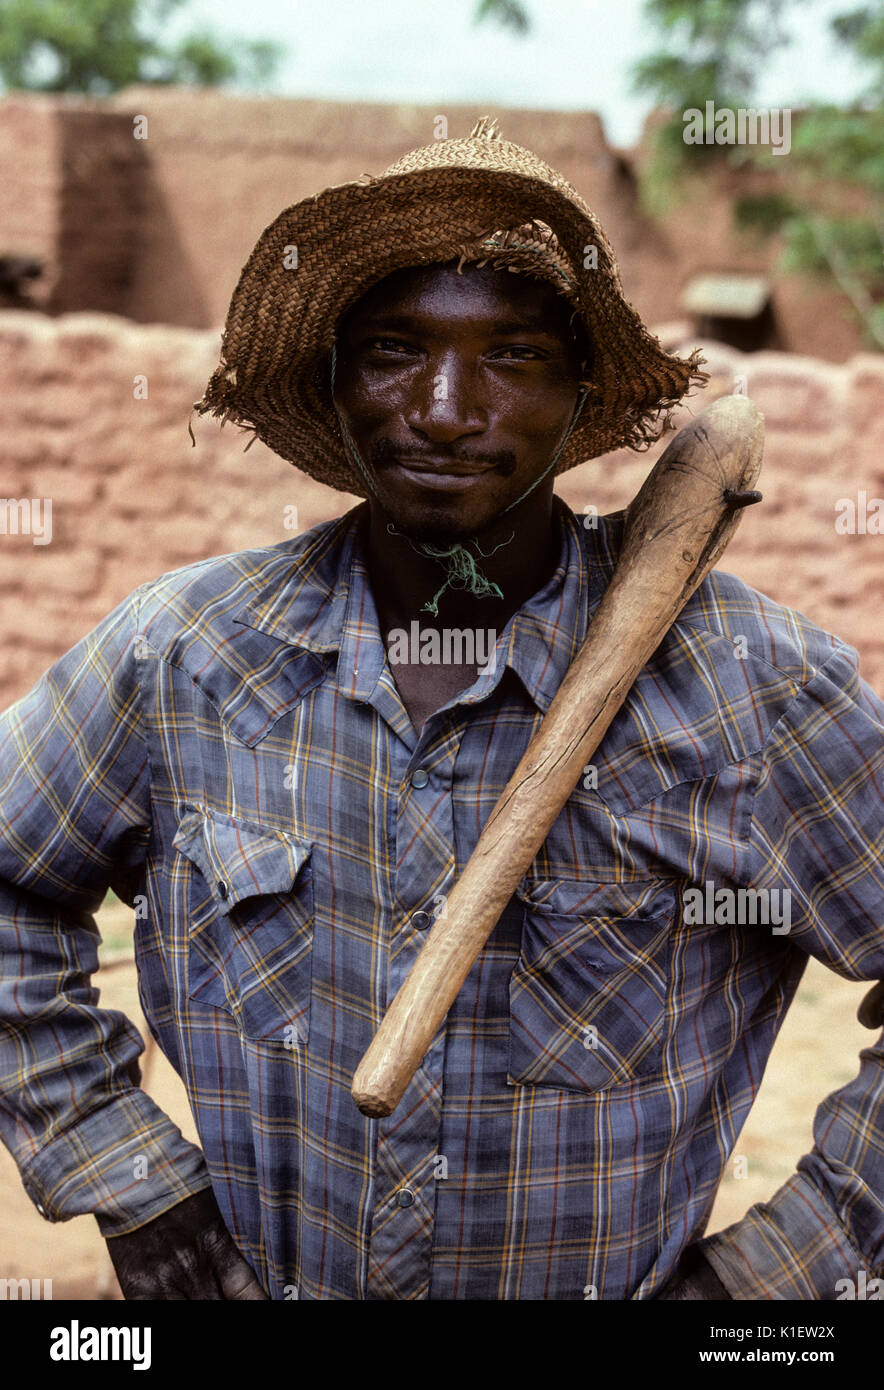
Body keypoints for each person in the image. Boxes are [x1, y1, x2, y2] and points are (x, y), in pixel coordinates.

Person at [1, 119, 882, 1302]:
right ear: (332, 381)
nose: (445, 407)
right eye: (391, 350)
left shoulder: (749, 691)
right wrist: (125, 1174)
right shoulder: (185, 655)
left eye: (513, 356)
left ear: (578, 398)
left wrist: (770, 1279)